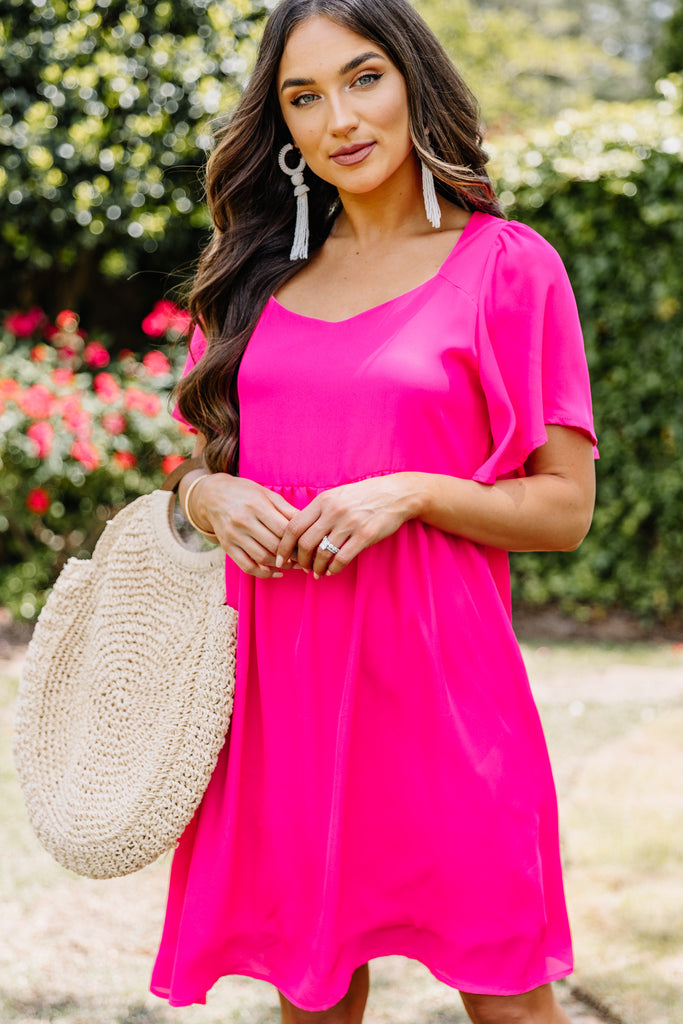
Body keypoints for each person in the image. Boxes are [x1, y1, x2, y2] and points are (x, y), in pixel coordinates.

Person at [151, 2, 598, 1022]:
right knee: (313, 1000)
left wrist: (414, 490)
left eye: (362, 79)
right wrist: (206, 494)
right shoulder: (250, 282)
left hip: (444, 696)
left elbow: (564, 509)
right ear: (281, 126)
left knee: (508, 998)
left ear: (413, 85)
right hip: (284, 697)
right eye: (301, 97)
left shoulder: (505, 265)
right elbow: (200, 470)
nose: (337, 119)